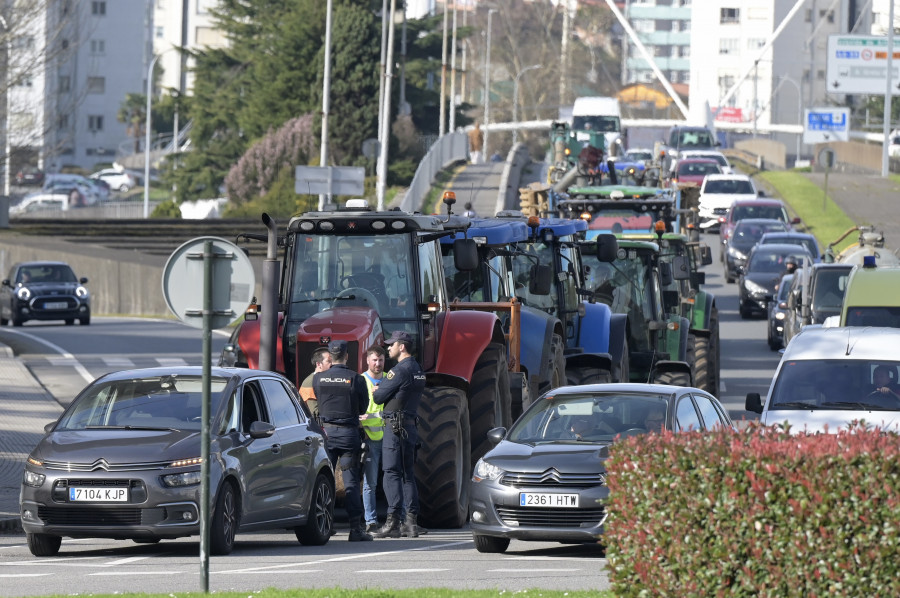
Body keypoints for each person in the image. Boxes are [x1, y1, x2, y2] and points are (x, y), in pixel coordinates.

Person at [312, 340, 373, 542]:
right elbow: (363, 409)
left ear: (330, 356)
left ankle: (324, 527)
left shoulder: (318, 379)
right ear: (347, 356)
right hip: (348, 435)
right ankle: (356, 529)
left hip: (326, 435)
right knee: (351, 483)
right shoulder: (355, 379)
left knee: (323, 481)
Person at [372, 330, 427, 538]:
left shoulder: (399, 371)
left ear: (401, 346)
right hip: (410, 425)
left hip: (394, 427)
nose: (388, 348)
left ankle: (392, 522)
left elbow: (378, 398)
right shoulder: (418, 369)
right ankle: (411, 522)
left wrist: (378, 390)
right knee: (408, 474)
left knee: (391, 472)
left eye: (391, 344)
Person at [359, 345, 386, 534]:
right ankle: (371, 521)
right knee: (371, 483)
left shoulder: (390, 379)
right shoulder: (361, 381)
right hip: (371, 439)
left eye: (381, 360)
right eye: (374, 360)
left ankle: (398, 518)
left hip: (391, 437)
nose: (378, 364)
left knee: (394, 479)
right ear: (367, 360)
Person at [298, 348, 333, 417]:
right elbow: (314, 413)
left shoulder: (328, 379)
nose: (332, 364)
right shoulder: (310, 382)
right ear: (318, 364)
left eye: (332, 361)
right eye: (329, 361)